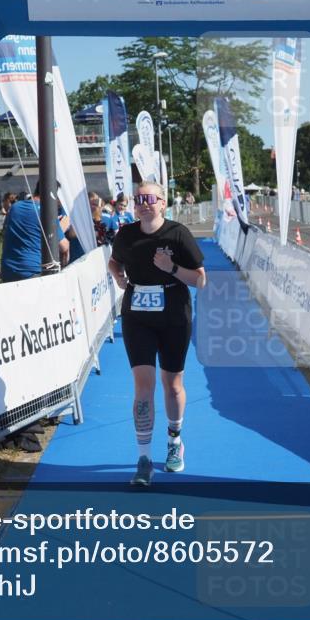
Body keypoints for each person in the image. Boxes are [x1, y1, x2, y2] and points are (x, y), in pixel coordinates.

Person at [108, 181, 207, 486]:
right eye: (138, 199)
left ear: (163, 203)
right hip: (137, 316)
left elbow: (200, 280)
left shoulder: (178, 234)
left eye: (149, 198)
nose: (142, 203)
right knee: (143, 385)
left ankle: (175, 439)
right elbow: (114, 261)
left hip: (174, 315)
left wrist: (171, 268)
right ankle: (144, 458)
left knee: (172, 384)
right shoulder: (126, 235)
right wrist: (119, 278)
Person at [0, 183, 70, 282]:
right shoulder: (46, 212)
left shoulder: (15, 207)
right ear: (54, 195)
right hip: (31, 272)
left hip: (8, 270)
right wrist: (62, 226)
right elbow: (64, 246)